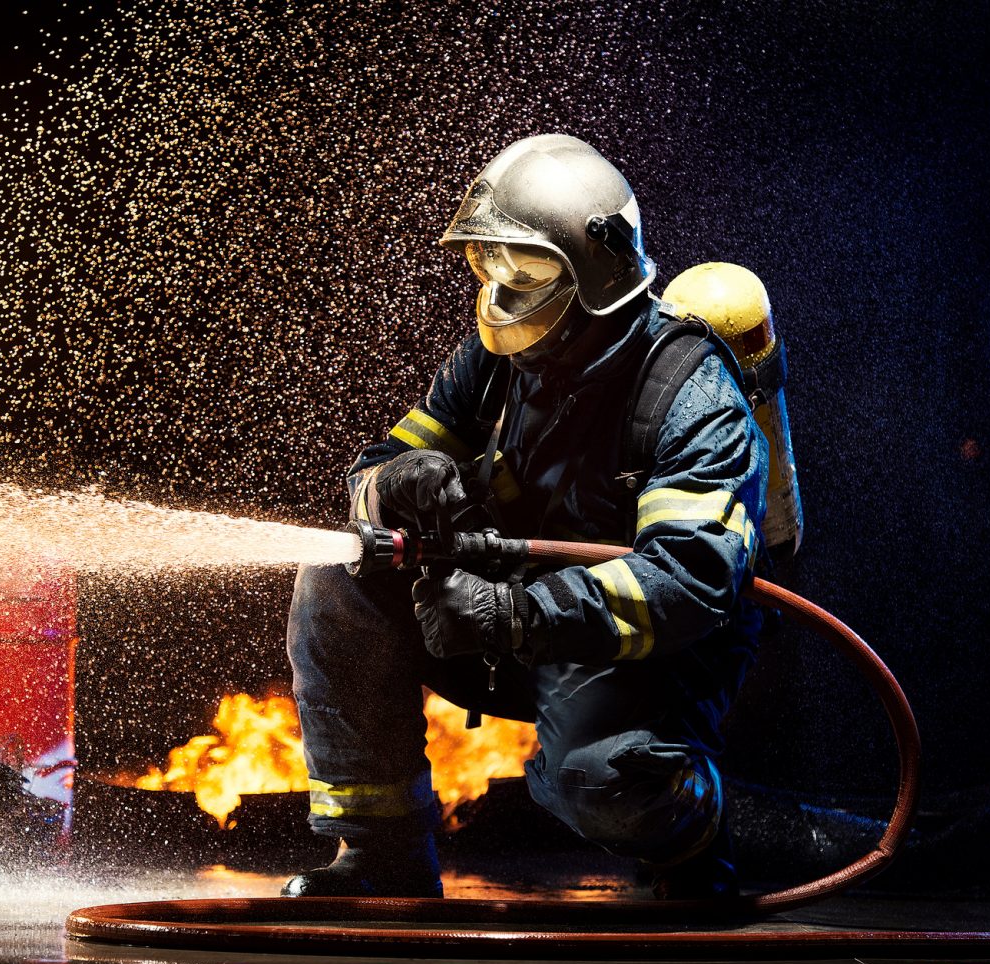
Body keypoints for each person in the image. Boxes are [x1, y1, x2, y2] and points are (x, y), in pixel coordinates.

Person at [283, 134, 768, 900]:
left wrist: (515, 614)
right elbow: (374, 473)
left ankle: (692, 849)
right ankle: (382, 856)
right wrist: (393, 483)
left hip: (642, 654)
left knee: (599, 782)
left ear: (596, 269)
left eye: (529, 266)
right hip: (504, 622)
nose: (502, 287)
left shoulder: (690, 392)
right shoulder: (499, 363)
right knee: (339, 578)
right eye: (489, 262)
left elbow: (690, 582)